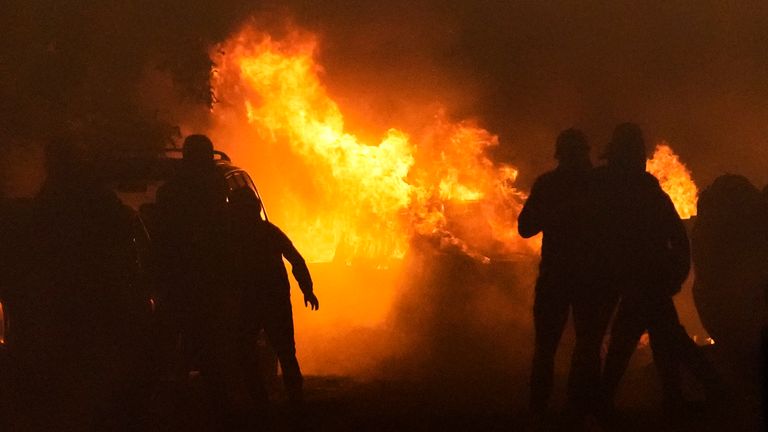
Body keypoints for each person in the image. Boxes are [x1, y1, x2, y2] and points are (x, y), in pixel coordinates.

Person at [595, 123, 721, 414]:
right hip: (648, 279)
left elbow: (674, 237)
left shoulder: (623, 190)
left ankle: (606, 401)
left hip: (643, 279)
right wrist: (675, 273)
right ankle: (690, 393)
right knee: (666, 339)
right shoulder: (640, 191)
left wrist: (674, 273)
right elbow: (677, 236)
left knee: (639, 340)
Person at [519, 129, 615, 419]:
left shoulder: (592, 185)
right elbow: (525, 228)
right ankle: (554, 411)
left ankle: (573, 410)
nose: (580, 159)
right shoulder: (561, 185)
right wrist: (562, 212)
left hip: (578, 278)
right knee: (566, 347)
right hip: (566, 277)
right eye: (576, 153)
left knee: (580, 347)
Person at [153, 134, 245, 422]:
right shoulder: (216, 188)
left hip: (179, 283)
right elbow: (227, 237)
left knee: (183, 348)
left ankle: (176, 407)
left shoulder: (170, 192)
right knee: (212, 347)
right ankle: (218, 409)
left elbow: (160, 239)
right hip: (206, 283)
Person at [228, 186, 319, 407]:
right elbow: (296, 260)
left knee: (250, 350)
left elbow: (296, 260)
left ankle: (263, 401)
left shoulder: (232, 238)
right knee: (284, 351)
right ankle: (293, 403)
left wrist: (307, 289)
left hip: (253, 301)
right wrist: (307, 290)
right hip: (272, 300)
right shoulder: (268, 232)